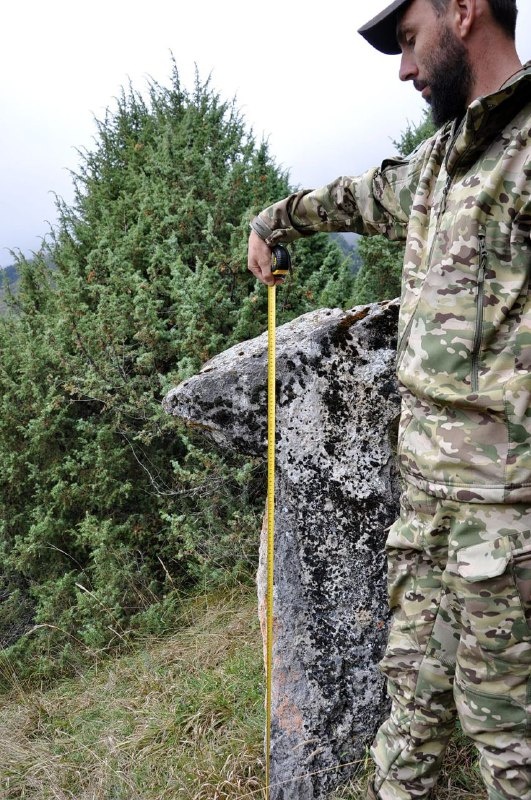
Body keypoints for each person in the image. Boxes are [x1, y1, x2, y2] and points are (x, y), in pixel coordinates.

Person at [247, 1, 531, 798]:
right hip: (426, 523)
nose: (404, 69)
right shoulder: (440, 164)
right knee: (405, 723)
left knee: (509, 747)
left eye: (409, 41)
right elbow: (353, 196)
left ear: (465, 11)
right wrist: (270, 222)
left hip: (507, 534)